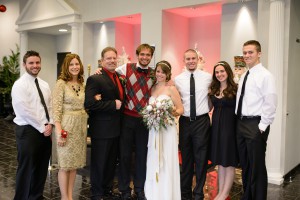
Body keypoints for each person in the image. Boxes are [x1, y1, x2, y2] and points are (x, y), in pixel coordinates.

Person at [236, 40, 277, 199]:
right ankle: (247, 196)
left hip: (255, 125)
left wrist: (262, 126)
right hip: (241, 123)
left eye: (250, 52)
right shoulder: (246, 74)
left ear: (259, 53)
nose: (247, 55)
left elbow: (271, 102)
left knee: (257, 167)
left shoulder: (266, 76)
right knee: (245, 165)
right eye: (245, 52)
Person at [11, 50, 52, 200]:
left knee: (41, 166)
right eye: (31, 63)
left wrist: (50, 124)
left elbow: (50, 106)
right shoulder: (19, 85)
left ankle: (36, 196)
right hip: (28, 130)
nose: (35, 66)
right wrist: (43, 126)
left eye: (37, 62)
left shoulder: (44, 84)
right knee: (27, 167)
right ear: (24, 65)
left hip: (45, 130)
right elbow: (24, 111)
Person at [84, 47, 124, 200]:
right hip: (101, 129)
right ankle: (97, 193)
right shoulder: (95, 78)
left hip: (116, 129)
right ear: (102, 61)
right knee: (100, 163)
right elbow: (89, 104)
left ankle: (107, 190)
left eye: (114, 58)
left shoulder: (119, 77)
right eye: (108, 58)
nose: (112, 61)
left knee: (110, 163)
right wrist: (112, 104)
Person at [116, 43, 155, 200]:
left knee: (142, 156)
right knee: (124, 155)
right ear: (137, 55)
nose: (145, 57)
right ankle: (124, 189)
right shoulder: (126, 67)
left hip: (144, 121)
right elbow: (111, 73)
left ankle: (139, 188)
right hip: (127, 118)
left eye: (148, 55)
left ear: (151, 57)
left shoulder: (153, 74)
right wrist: (99, 70)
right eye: (142, 54)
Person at [174, 49, 212, 200]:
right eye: (188, 59)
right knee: (186, 158)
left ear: (198, 60)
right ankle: (185, 192)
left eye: (193, 58)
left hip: (201, 121)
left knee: (201, 158)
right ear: (184, 61)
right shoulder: (178, 79)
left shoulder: (208, 77)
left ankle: (198, 192)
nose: (191, 61)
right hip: (184, 121)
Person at [144, 60, 184, 200]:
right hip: (154, 129)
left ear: (168, 74)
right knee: (154, 157)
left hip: (167, 129)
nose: (160, 74)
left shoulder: (171, 89)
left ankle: (167, 194)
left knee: (166, 158)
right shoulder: (152, 88)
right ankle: (154, 192)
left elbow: (180, 109)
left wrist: (168, 112)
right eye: (158, 71)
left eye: (163, 72)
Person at [52, 53, 88, 200]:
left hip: (80, 128)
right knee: (65, 165)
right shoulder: (61, 84)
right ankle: (64, 197)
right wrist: (59, 131)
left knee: (74, 165)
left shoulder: (82, 84)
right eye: (71, 64)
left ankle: (70, 196)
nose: (74, 67)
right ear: (66, 67)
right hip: (66, 126)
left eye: (77, 64)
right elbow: (56, 109)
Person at [209, 61, 239, 200]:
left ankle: (225, 193)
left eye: (222, 71)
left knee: (229, 161)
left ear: (228, 72)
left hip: (230, 129)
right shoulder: (213, 90)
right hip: (216, 129)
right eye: (217, 72)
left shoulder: (235, 89)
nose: (220, 74)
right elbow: (208, 108)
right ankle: (220, 192)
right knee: (220, 162)